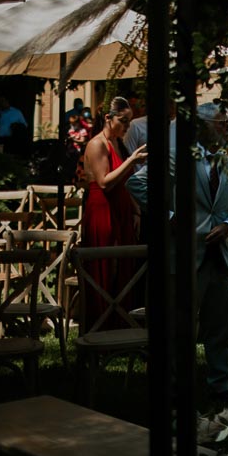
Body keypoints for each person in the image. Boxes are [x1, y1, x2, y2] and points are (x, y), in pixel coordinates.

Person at [127, 102, 228, 404]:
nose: (226, 129)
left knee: (219, 326)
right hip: (183, 255)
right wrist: (169, 217)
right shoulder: (175, 158)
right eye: (220, 123)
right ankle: (177, 389)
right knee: (180, 326)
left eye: (226, 123)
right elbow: (137, 183)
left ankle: (221, 388)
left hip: (219, 256)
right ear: (202, 126)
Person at [81, 96, 147, 330]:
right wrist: (131, 160)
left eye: (129, 122)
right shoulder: (97, 144)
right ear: (108, 119)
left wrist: (136, 211)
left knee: (124, 267)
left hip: (122, 211)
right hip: (102, 211)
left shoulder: (119, 143)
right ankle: (102, 326)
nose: (127, 127)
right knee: (108, 266)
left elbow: (126, 183)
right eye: (123, 121)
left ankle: (121, 324)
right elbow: (105, 182)